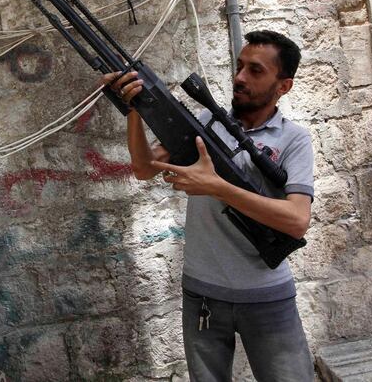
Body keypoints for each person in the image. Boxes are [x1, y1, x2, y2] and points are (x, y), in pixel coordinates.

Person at [106, 30, 315, 381]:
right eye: (239, 66)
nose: (240, 77)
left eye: (256, 70)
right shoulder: (205, 124)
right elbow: (144, 168)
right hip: (203, 294)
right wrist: (133, 111)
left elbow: (296, 221)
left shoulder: (294, 139)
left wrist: (216, 187)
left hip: (267, 296)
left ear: (284, 86)